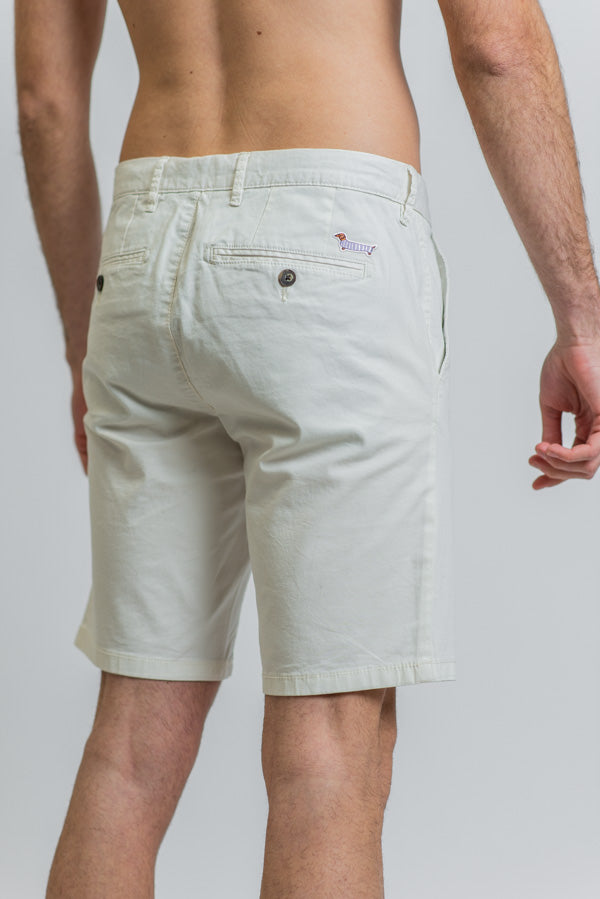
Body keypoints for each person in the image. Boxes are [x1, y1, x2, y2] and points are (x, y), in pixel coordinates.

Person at [15, 0, 600, 896]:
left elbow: (44, 100)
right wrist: (581, 319)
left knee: (128, 748)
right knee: (330, 748)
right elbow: (496, 45)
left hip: (140, 253)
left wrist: (79, 345)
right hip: (328, 240)